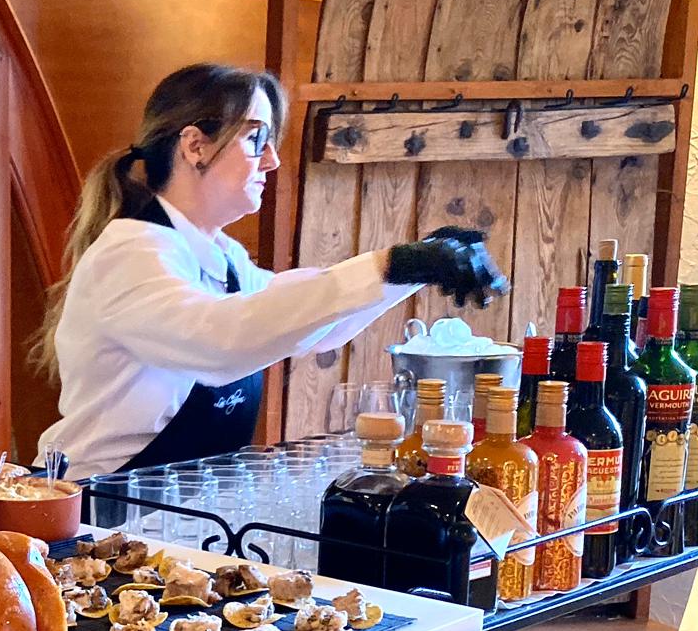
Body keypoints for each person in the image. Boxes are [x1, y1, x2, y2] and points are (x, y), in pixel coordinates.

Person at [35, 64, 505, 477]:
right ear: (195, 146)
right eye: (256, 139)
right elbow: (221, 341)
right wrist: (392, 264)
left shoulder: (222, 256)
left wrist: (412, 267)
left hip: (175, 505)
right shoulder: (130, 252)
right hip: (96, 507)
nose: (273, 160)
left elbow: (310, 325)